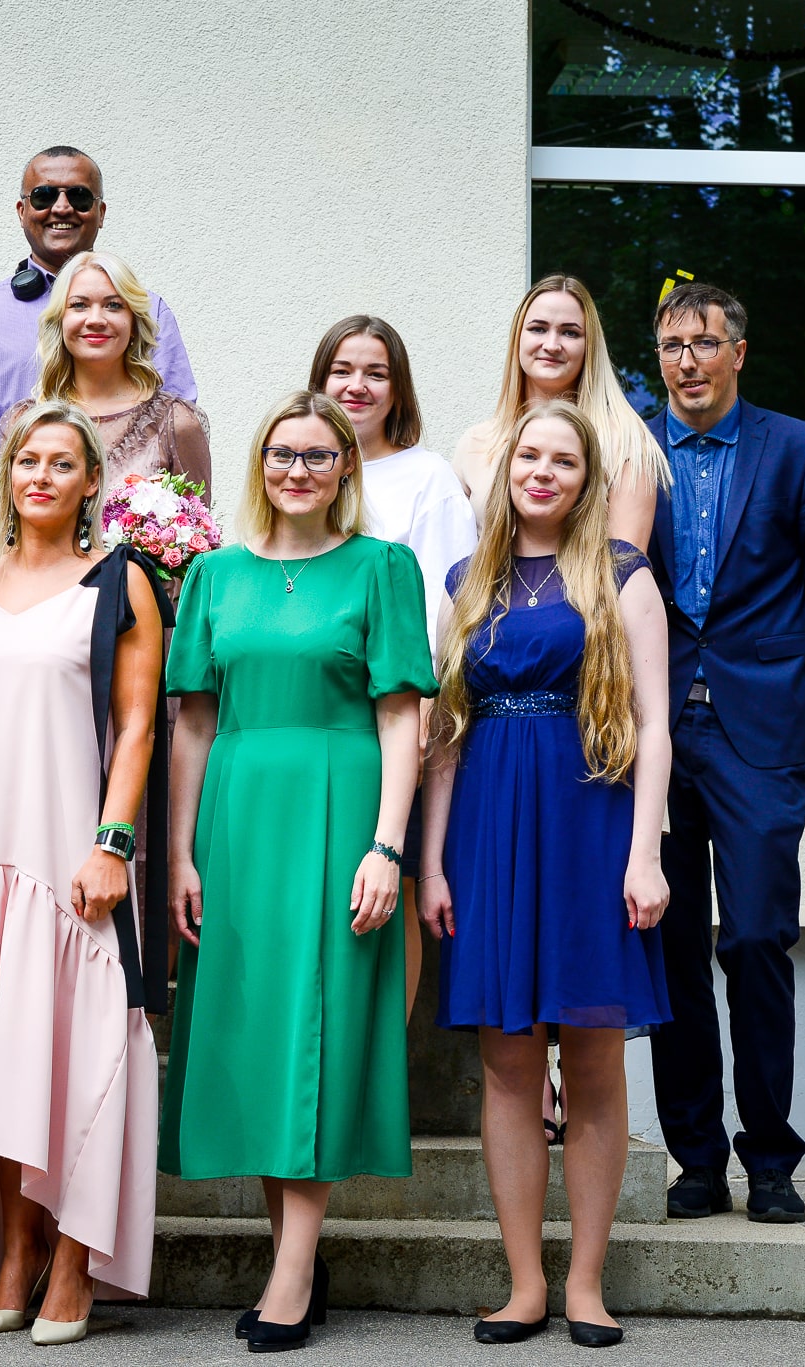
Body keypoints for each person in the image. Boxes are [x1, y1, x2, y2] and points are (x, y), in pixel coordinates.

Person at [161, 391, 434, 1353]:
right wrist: (180, 851)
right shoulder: (213, 574)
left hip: (337, 809)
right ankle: (298, 1259)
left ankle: (289, 1272)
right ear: (260, 461)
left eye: (320, 455)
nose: (299, 470)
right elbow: (194, 721)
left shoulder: (381, 567)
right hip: (238, 819)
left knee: (317, 1026)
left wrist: (387, 845)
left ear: (345, 468)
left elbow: (401, 716)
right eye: (284, 453)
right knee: (264, 1032)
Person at [418, 400, 672, 1349]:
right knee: (509, 1063)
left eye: (564, 460)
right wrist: (432, 861)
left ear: (586, 479)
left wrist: (645, 853)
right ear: (507, 466)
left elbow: (654, 725)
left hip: (591, 825)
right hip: (488, 831)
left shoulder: (621, 573)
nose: (543, 471)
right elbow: (445, 734)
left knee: (595, 1057)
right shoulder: (468, 579)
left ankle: (587, 1284)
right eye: (530, 454)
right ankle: (524, 1283)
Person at [0, 400, 168, 1345]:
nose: (42, 476)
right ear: (7, 474)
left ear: (92, 481)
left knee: (74, 1056)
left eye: (63, 463)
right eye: (28, 460)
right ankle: (15, 1257)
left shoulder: (120, 580)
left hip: (70, 854)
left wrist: (113, 842)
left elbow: (137, 726)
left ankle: (73, 1260)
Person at [643, 282, 805, 1227]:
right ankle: (696, 1157)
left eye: (703, 342)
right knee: (672, 944)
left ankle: (771, 1156)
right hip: (655, 730)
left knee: (758, 937)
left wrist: (780, 685)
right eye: (670, 344)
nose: (686, 360)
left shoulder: (799, 448)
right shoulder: (633, 450)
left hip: (758, 732)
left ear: (738, 351)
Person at [310, 314, 477, 1021]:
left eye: (375, 373)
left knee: (391, 884)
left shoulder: (426, 476)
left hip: (396, 712)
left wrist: (425, 712)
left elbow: (450, 605)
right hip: (314, 709)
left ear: (398, 389)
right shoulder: (300, 465)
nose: (357, 385)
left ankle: (386, 1059)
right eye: (342, 370)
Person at [0, 146, 198, 487]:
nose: (62, 207)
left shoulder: (146, 310)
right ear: (22, 211)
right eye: (43, 196)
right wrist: (17, 487)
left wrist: (121, 503)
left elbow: (175, 422)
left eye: (79, 197)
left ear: (100, 212)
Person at [452, 275, 668, 550]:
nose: (552, 345)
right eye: (538, 329)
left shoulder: (625, 443)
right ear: (518, 337)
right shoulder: (475, 444)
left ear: (589, 345)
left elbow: (627, 565)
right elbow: (457, 561)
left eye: (570, 333)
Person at [2, 249, 210, 493]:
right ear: (60, 320)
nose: (95, 319)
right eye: (79, 305)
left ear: (133, 323)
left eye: (113, 305)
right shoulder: (23, 422)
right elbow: (7, 515)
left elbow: (196, 517)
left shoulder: (176, 423)